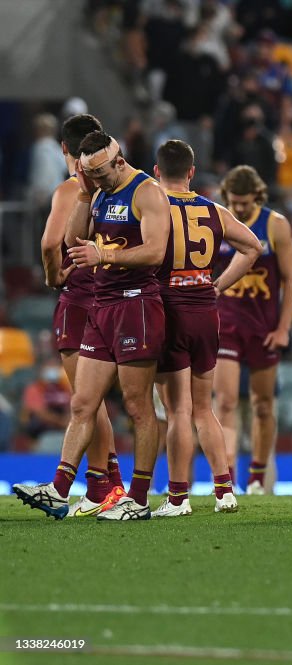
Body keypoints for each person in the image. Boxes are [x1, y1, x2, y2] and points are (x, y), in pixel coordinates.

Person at [15, 131, 170, 520]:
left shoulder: (146, 192)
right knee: (83, 403)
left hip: (136, 304)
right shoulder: (97, 190)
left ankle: (136, 498)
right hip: (102, 307)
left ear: (119, 161)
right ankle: (59, 489)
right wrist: (85, 192)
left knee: (137, 406)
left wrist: (103, 253)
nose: (97, 180)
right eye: (90, 175)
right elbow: (72, 239)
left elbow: (155, 250)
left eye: (100, 174)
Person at [150, 140, 262, 517]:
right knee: (204, 408)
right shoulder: (213, 209)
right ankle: (224, 490)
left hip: (170, 310)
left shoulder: (153, 206)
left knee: (178, 410)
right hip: (206, 311)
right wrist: (219, 284)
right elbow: (252, 247)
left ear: (156, 171)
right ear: (192, 172)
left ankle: (178, 498)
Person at [39, 114, 123, 517]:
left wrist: (55, 275)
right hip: (118, 297)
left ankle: (103, 485)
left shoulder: (71, 189)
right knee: (99, 400)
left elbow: (50, 243)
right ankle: (112, 483)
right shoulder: (121, 185)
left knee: (87, 399)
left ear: (64, 149)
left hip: (80, 298)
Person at [214, 165, 292, 495]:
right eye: (234, 203)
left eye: (245, 204)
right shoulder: (219, 220)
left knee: (263, 405)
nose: (239, 209)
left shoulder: (275, 225)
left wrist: (283, 328)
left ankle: (258, 478)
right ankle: (229, 477)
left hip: (263, 326)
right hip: (226, 324)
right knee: (225, 402)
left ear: (257, 198)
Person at [20, 359, 71, 442]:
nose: (53, 369)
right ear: (42, 369)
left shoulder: (64, 387)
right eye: (49, 366)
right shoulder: (34, 388)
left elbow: (72, 407)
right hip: (42, 428)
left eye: (55, 366)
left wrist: (69, 420)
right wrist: (61, 422)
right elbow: (40, 412)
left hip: (65, 425)